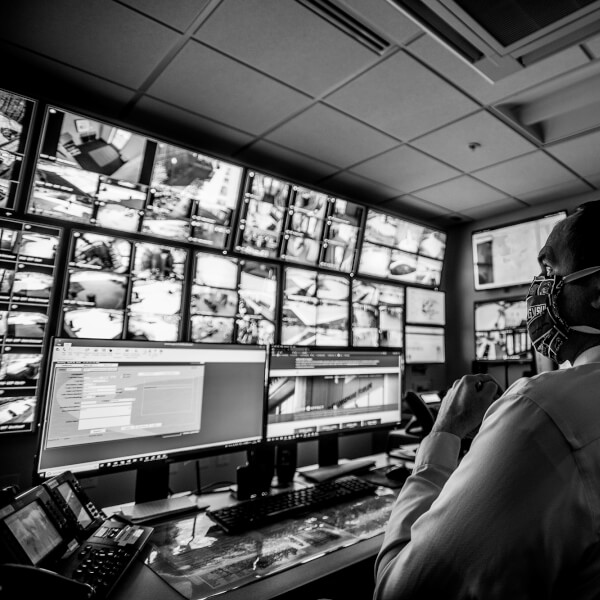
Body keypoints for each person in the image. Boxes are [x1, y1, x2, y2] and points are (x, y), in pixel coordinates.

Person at [374, 200, 600, 599]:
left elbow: (399, 591)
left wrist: (445, 432)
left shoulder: (541, 411)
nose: (537, 288)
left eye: (549, 270)